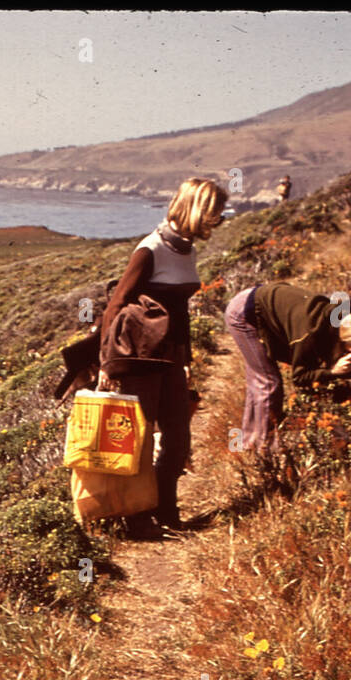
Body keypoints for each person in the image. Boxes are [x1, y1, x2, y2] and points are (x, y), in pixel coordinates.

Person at [96, 176, 228, 536]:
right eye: (214, 211)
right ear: (195, 208)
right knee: (137, 439)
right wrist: (107, 364)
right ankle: (136, 520)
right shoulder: (150, 249)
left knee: (177, 436)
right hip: (139, 356)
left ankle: (166, 511)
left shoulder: (188, 249)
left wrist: (185, 357)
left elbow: (180, 311)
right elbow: (117, 304)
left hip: (170, 357)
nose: (218, 218)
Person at [224, 282, 351, 452]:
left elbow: (336, 346)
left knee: (258, 381)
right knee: (268, 383)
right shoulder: (308, 333)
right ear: (343, 340)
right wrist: (333, 372)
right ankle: (264, 451)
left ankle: (247, 444)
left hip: (257, 300)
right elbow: (300, 378)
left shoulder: (346, 320)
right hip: (244, 314)